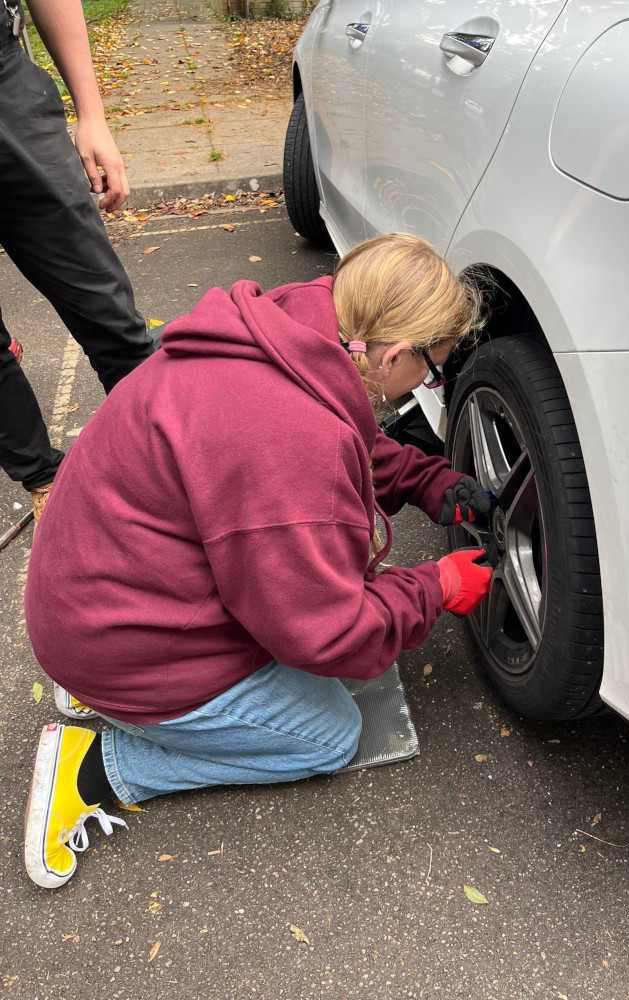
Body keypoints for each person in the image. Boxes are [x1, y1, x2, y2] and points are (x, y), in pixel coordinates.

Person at [23, 233, 495, 889]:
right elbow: (326, 633)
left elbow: (345, 432)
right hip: (120, 639)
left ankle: (103, 687)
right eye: (433, 370)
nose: (429, 383)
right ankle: (101, 763)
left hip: (86, 594)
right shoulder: (288, 440)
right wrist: (435, 586)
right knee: (327, 736)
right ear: (390, 357)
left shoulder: (294, 330)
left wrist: (426, 481)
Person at [0, 0, 154, 523]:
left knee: (107, 310)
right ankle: (46, 483)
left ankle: (176, 466)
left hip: (6, 92)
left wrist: (92, 114)